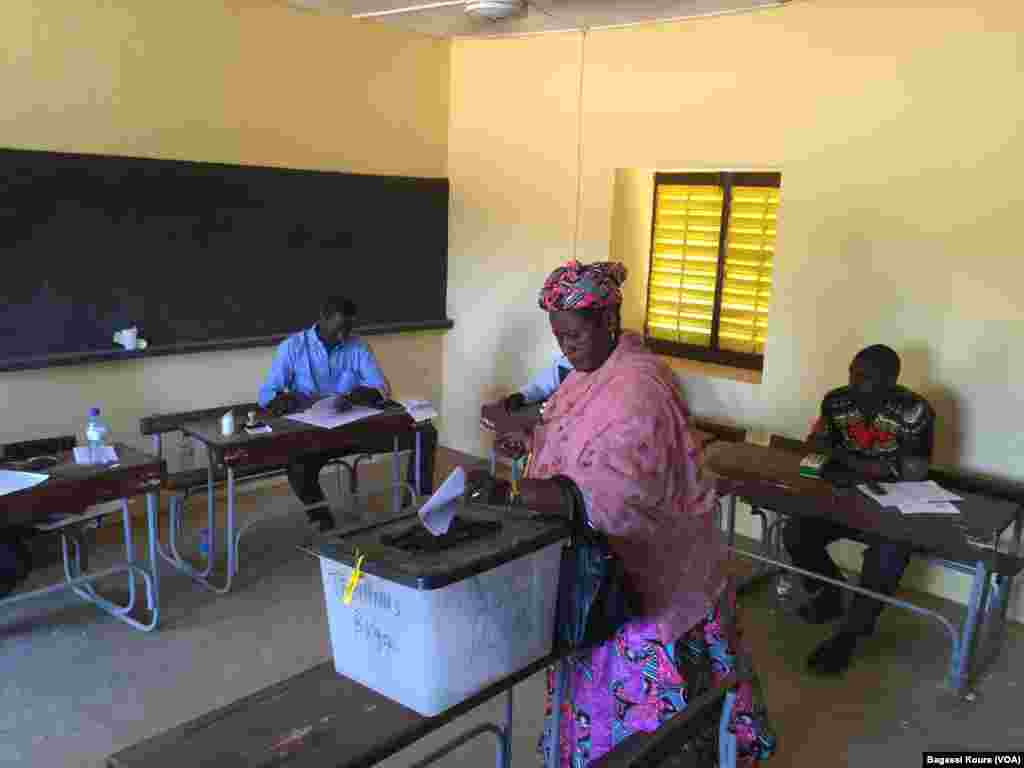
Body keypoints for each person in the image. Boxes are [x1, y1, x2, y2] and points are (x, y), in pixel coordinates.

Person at [466, 260, 775, 767]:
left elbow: (611, 496)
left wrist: (513, 491)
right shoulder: (589, 375)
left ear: (609, 320)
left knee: (655, 732)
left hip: (652, 580)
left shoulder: (639, 387)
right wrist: (532, 440)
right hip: (607, 566)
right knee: (594, 695)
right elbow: (573, 439)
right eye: (558, 337)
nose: (564, 347)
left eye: (573, 335)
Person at [783, 344, 935, 675]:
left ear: (891, 380)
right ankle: (829, 595)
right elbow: (815, 445)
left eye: (865, 376)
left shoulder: (914, 411)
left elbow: (912, 473)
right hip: (847, 498)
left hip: (895, 507)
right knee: (796, 532)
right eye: (853, 372)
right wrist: (871, 465)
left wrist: (844, 460)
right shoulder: (837, 400)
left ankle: (850, 634)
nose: (854, 382)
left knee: (887, 556)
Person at [258, 296, 436, 531]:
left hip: (356, 430)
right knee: (297, 465)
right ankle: (323, 522)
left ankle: (415, 506)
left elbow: (380, 388)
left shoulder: (358, 346)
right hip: (315, 434)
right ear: (323, 320)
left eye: (349, 328)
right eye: (339, 328)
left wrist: (356, 397)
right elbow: (267, 395)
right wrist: (294, 400)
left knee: (424, 432)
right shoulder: (293, 347)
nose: (344, 335)